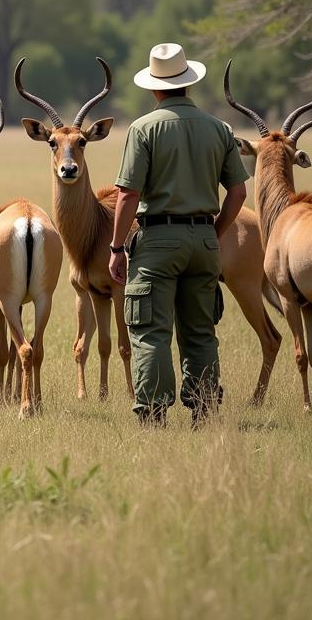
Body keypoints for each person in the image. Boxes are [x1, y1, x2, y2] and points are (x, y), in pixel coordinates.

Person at [108, 42, 248, 427]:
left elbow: (128, 193)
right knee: (201, 331)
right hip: (204, 241)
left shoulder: (143, 128)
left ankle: (153, 415)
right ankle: (204, 411)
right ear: (188, 83)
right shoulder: (219, 128)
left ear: (154, 87)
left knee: (151, 331)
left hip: (157, 242)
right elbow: (238, 191)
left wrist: (117, 247)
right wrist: (214, 232)